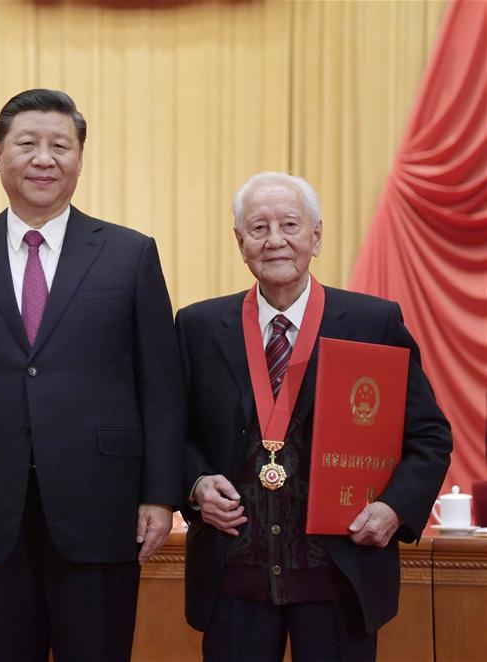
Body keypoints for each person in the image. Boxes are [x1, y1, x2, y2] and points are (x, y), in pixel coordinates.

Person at [0, 89, 185, 661]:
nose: (44, 159)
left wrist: (161, 495)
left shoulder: (130, 253)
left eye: (60, 146)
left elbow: (161, 387)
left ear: (80, 159)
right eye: (27, 144)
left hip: (104, 504)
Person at [176, 171, 452, 661]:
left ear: (316, 236)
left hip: (339, 577)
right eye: (258, 228)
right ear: (240, 243)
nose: (275, 240)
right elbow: (173, 433)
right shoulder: (198, 326)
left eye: (290, 224)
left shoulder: (372, 323)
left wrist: (394, 508)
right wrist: (196, 485)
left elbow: (429, 436)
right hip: (234, 577)